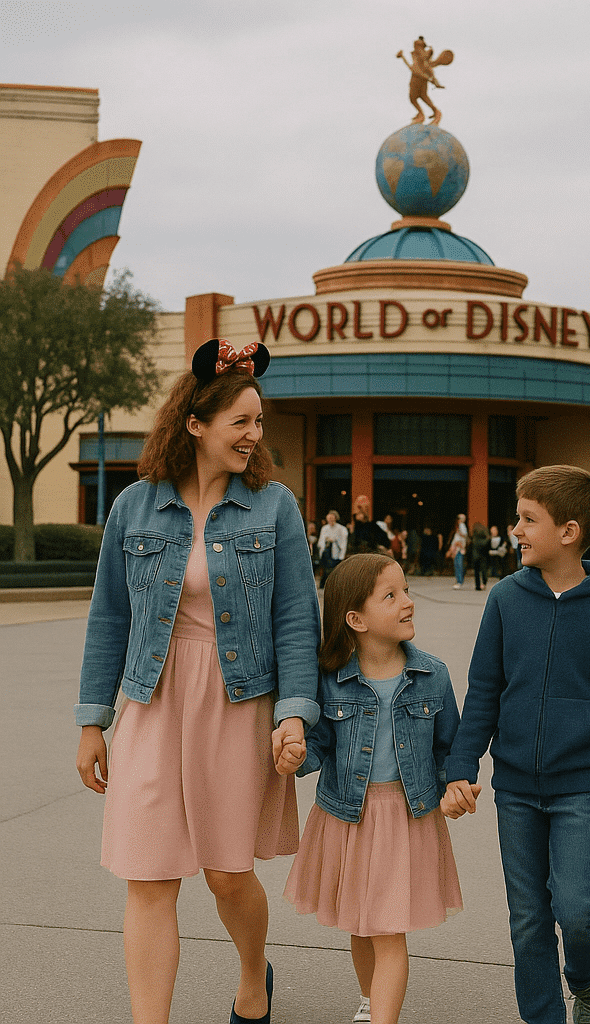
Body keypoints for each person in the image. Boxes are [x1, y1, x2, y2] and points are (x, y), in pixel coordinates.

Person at [74, 338, 321, 1024]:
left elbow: (298, 619)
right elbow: (109, 618)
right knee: (148, 876)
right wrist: (93, 720)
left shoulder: (273, 508)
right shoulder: (135, 507)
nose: (253, 435)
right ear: (195, 424)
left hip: (238, 700)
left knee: (226, 873)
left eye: (259, 422)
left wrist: (294, 714)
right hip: (152, 699)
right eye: (240, 421)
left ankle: (252, 975)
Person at [441, 465, 590, 1024]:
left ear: (569, 531)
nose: (516, 529)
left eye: (528, 519)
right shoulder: (507, 599)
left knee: (577, 910)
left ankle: (585, 981)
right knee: (529, 917)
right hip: (514, 786)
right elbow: (485, 689)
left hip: (579, 784)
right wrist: (461, 764)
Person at [279, 554, 463, 1024]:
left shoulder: (432, 675)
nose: (408, 602)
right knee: (360, 924)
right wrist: (298, 755)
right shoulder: (330, 680)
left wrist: (455, 786)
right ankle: (370, 999)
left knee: (388, 930)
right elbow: (319, 745)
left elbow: (449, 749)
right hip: (348, 817)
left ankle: (383, 1016)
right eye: (391, 595)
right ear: (355, 619)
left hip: (405, 817)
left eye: (405, 591)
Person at [318, 509, 349, 588]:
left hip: (336, 552)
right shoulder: (324, 528)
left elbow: (343, 543)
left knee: (335, 570)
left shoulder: (341, 529)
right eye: (329, 519)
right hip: (327, 551)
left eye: (332, 518)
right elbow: (321, 541)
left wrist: (342, 555)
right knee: (326, 570)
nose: (330, 520)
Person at [446, 513, 468, 588]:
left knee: (458, 565)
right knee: (457, 564)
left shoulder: (461, 525)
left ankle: (459, 581)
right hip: (457, 547)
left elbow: (464, 534)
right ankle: (459, 580)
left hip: (458, 548)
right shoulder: (459, 526)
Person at [470, 521, 490, 590]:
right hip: (483, 556)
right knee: (484, 570)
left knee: (476, 572)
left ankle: (477, 585)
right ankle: (484, 583)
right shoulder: (486, 540)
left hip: (475, 556)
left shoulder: (474, 539)